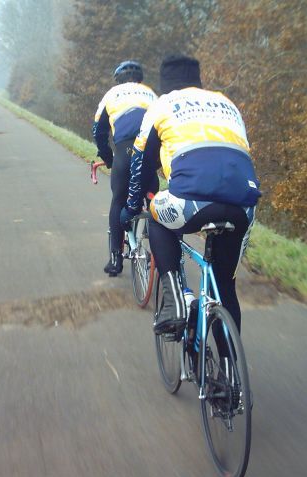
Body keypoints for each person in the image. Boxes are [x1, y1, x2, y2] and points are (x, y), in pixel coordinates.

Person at [120, 54, 261, 337]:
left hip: (192, 202)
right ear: (198, 80)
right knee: (225, 287)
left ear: (165, 84)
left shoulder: (162, 105)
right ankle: (226, 369)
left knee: (156, 216)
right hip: (243, 206)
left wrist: (132, 206)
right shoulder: (227, 104)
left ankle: (174, 301)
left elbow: (139, 162)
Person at [93, 60, 157, 276]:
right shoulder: (151, 94)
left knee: (119, 200)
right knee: (153, 199)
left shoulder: (112, 94)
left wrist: (108, 157)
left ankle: (115, 260)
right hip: (150, 149)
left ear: (118, 79)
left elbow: (98, 132)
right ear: (140, 79)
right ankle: (166, 256)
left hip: (125, 150)